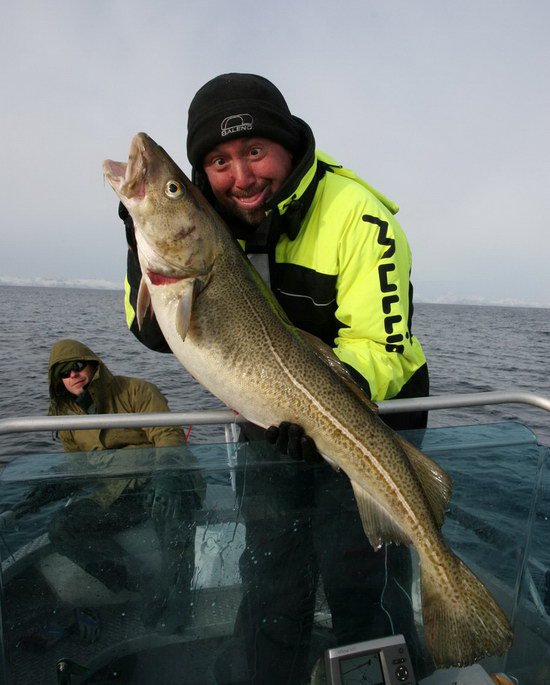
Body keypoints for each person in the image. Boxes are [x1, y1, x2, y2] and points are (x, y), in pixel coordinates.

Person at [120, 74, 430, 682]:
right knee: (271, 573)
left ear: (289, 146)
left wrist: (324, 405)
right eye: (217, 161)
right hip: (271, 412)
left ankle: (406, 657)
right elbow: (154, 333)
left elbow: (384, 346)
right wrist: (142, 244)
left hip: (369, 410)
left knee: (360, 577)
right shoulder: (206, 221)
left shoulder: (358, 215)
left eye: (255, 151)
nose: (241, 177)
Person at [28, 339, 204, 634]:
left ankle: (178, 597)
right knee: (62, 527)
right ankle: (145, 583)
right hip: (118, 493)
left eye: (77, 366)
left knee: (172, 511)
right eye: (63, 372)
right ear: (57, 381)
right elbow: (78, 467)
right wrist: (50, 489)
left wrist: (166, 478)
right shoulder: (66, 417)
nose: (72, 375)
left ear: (93, 364)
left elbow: (168, 436)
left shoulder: (136, 391)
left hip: (163, 477)